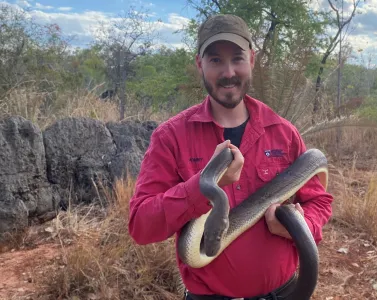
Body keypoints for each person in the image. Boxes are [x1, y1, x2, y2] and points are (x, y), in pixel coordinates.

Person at [128, 14, 333, 300]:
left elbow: (318, 201)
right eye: (215, 60)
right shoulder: (170, 137)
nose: (228, 72)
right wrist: (203, 185)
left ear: (251, 59)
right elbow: (141, 225)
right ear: (200, 64)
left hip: (284, 293)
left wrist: (298, 227)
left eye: (237, 58)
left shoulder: (283, 133)